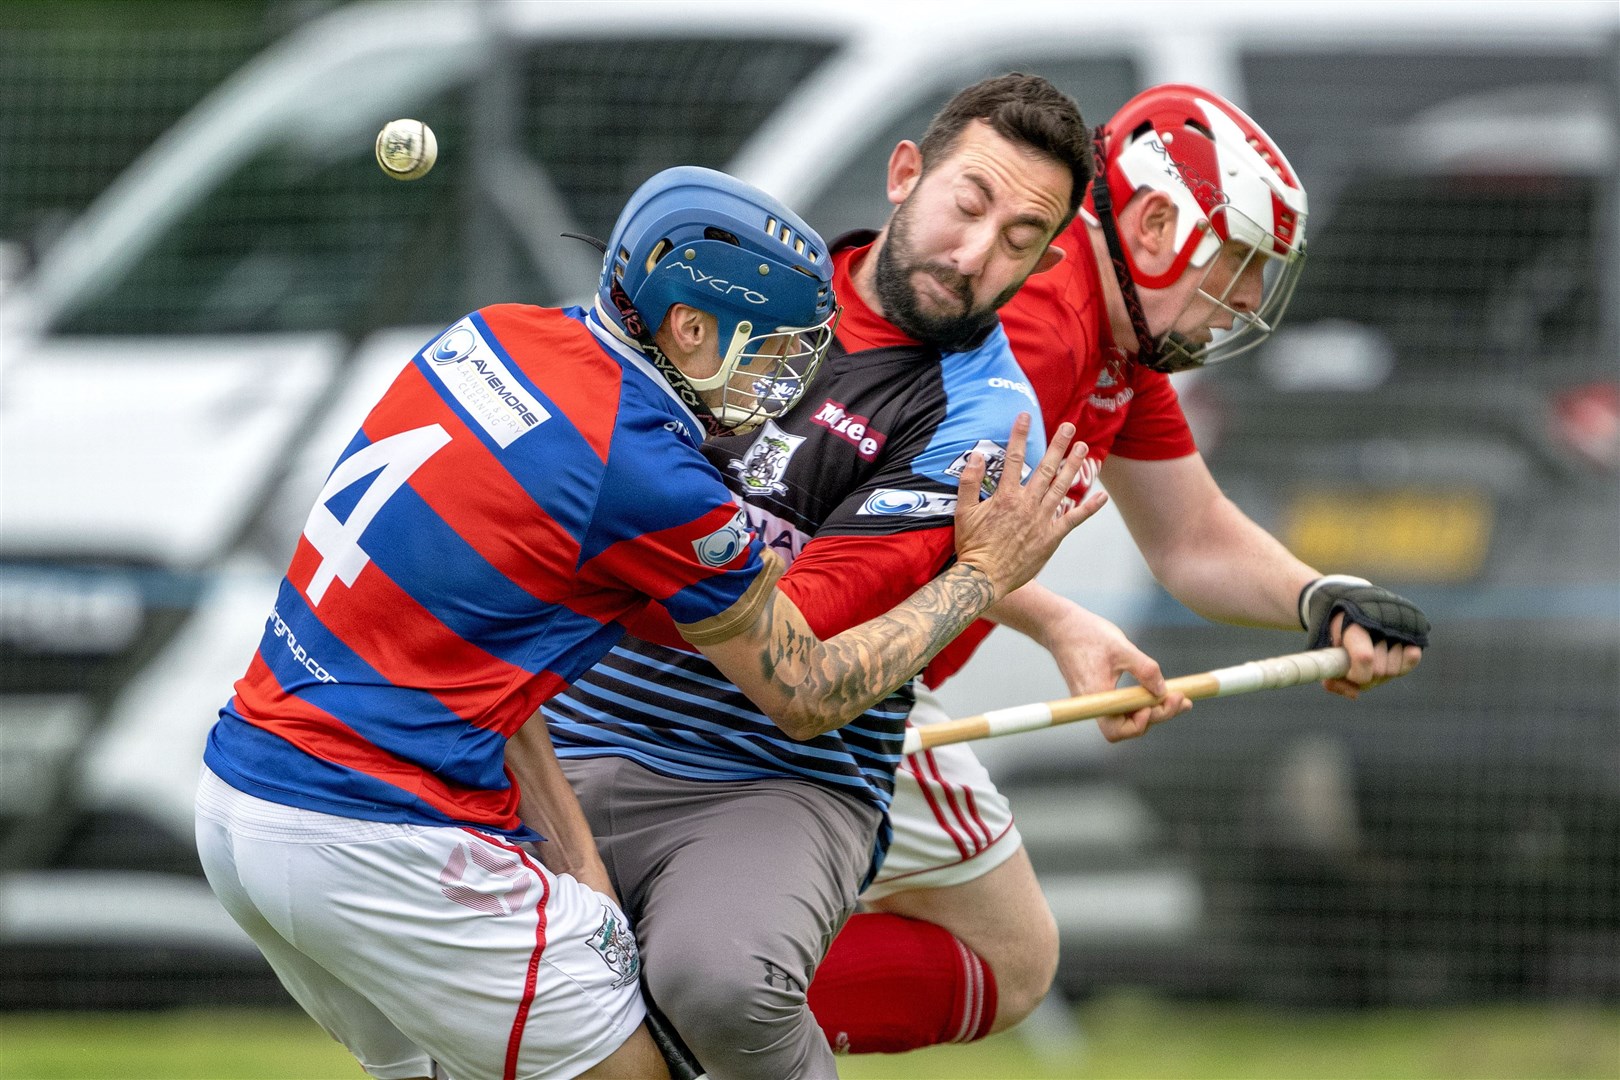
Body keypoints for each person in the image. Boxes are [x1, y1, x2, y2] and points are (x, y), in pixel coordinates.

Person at [192, 164, 1098, 1080]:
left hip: (240, 800)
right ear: (690, 328)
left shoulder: (494, 333)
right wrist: (985, 572)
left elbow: (504, 684)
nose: (786, 380)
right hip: (382, 831)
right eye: (773, 347)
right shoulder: (645, 473)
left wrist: (582, 870)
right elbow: (809, 690)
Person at [806, 83, 1431, 1055]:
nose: (1245, 302)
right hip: (827, 676)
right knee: (1006, 954)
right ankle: (660, 1028)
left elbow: (1193, 535)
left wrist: (1320, 597)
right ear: (1151, 225)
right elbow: (910, 520)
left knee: (975, 951)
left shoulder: (1115, 346)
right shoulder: (1041, 327)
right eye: (1233, 268)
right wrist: (1067, 625)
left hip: (863, 676)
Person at [537, 74, 1097, 1079]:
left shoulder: (981, 414)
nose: (977, 254)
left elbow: (796, 632)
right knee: (462, 980)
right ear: (904, 174)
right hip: (569, 720)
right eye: (969, 204)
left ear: (1047, 259)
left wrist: (616, 550)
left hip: (775, 777)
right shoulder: (737, 276)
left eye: (1020, 240)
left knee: (720, 982)